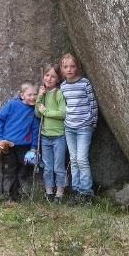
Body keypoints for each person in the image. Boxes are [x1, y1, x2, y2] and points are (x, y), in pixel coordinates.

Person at [59, 53, 98, 202]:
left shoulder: (85, 83)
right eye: (66, 67)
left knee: (82, 159)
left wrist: (93, 122)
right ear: (62, 69)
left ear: (77, 67)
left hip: (84, 127)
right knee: (73, 159)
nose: (69, 69)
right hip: (69, 127)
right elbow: (64, 107)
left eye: (72, 66)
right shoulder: (62, 87)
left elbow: (93, 103)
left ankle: (86, 192)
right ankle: (76, 190)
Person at [0, 82, 40, 203]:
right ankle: (7, 197)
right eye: (29, 94)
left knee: (24, 169)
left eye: (35, 94)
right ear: (22, 95)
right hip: (8, 145)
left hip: (25, 146)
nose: (33, 97)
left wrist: (34, 147)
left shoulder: (35, 111)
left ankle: (17, 195)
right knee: (9, 170)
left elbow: (35, 130)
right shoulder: (13, 104)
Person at [35, 63, 67, 203]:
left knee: (58, 166)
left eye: (52, 76)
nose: (49, 78)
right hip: (45, 136)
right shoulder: (42, 93)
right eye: (47, 75)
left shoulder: (58, 93)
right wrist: (39, 97)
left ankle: (60, 192)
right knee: (47, 167)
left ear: (57, 80)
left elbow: (63, 113)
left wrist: (46, 111)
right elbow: (37, 113)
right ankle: (49, 191)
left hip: (59, 136)